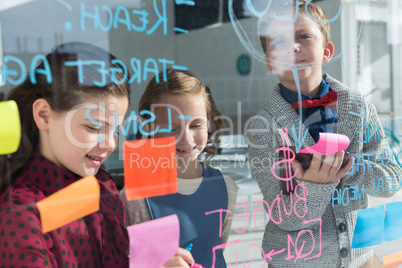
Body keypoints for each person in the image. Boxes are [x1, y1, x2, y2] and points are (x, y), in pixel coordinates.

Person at [0, 42, 194, 268]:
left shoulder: (102, 184)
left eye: (116, 130)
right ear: (44, 116)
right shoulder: (20, 213)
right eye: (93, 128)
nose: (110, 144)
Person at [246, 1, 402, 268]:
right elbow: (285, 217)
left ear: (327, 50)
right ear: (270, 63)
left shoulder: (360, 108)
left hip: (361, 259)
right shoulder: (262, 127)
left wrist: (345, 169)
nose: (293, 47)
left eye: (303, 36)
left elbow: (392, 181)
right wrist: (318, 183)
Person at [120, 69, 238, 268]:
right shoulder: (136, 198)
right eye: (172, 128)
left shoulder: (227, 188)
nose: (186, 139)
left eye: (196, 125)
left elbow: (216, 250)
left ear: (208, 121)